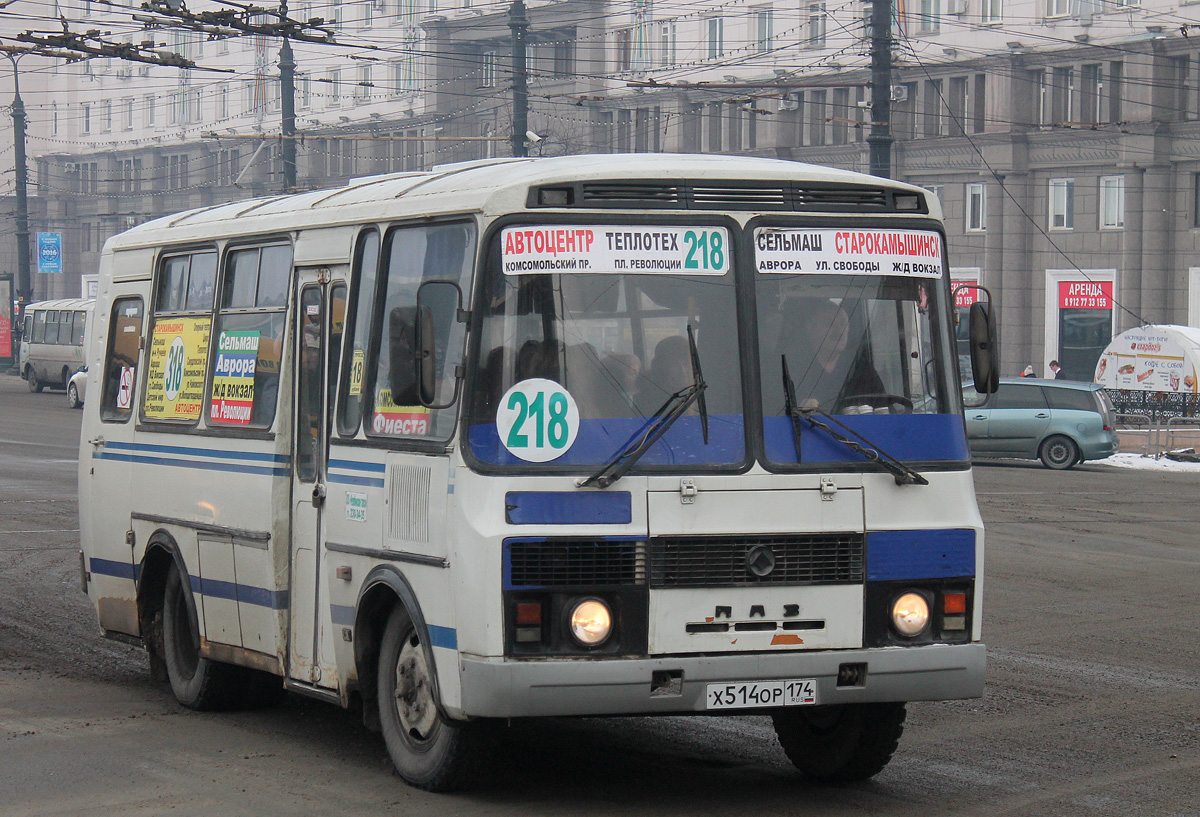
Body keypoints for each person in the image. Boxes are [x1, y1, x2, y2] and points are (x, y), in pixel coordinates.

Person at [771, 298, 886, 414]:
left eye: (843, 323)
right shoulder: (791, 369)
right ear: (810, 329)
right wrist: (798, 410)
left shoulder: (861, 369)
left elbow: (885, 412)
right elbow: (773, 416)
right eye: (830, 324)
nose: (839, 330)